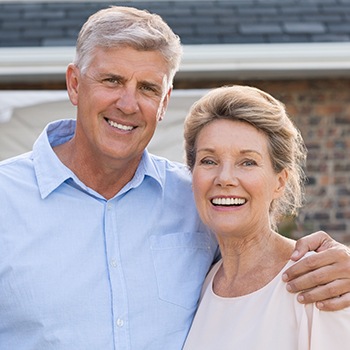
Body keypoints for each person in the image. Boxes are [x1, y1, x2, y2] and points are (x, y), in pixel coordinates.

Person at [0, 6, 349, 350]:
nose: (127, 103)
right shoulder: (6, 200)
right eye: (112, 80)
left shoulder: (194, 199)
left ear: (165, 101)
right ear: (75, 85)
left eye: (148, 88)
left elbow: (258, 253)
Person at [183, 85, 350, 349]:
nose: (224, 178)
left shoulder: (318, 281)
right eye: (208, 161)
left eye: (247, 162)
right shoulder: (202, 284)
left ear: (280, 182)